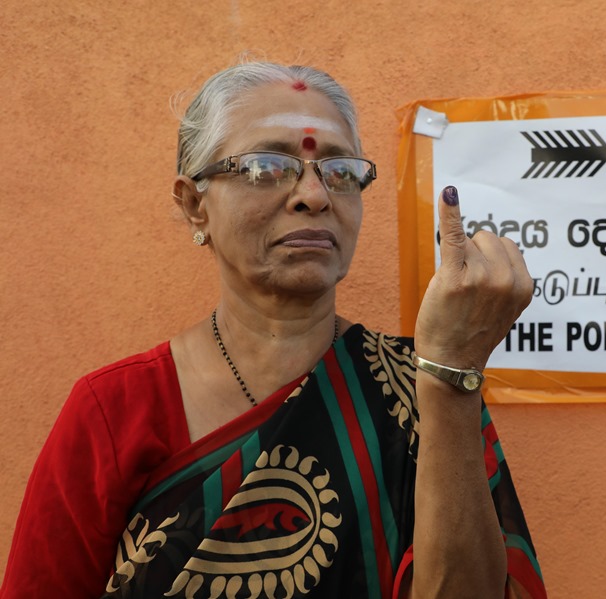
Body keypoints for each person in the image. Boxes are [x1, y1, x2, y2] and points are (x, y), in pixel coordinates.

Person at [0, 62, 545, 598]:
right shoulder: (115, 409)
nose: (315, 195)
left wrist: (452, 368)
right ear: (195, 205)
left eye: (340, 171)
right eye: (267, 167)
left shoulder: (418, 384)